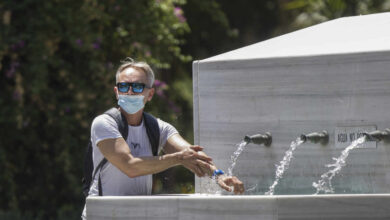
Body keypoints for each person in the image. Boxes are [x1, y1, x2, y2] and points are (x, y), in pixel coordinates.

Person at [82, 58, 244, 219]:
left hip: (137, 215)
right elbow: (130, 167)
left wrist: (219, 175)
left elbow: (192, 154)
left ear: (150, 93)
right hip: (102, 215)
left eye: (137, 87)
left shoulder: (157, 127)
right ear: (117, 92)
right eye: (124, 86)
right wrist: (178, 158)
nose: (130, 92)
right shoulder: (104, 123)